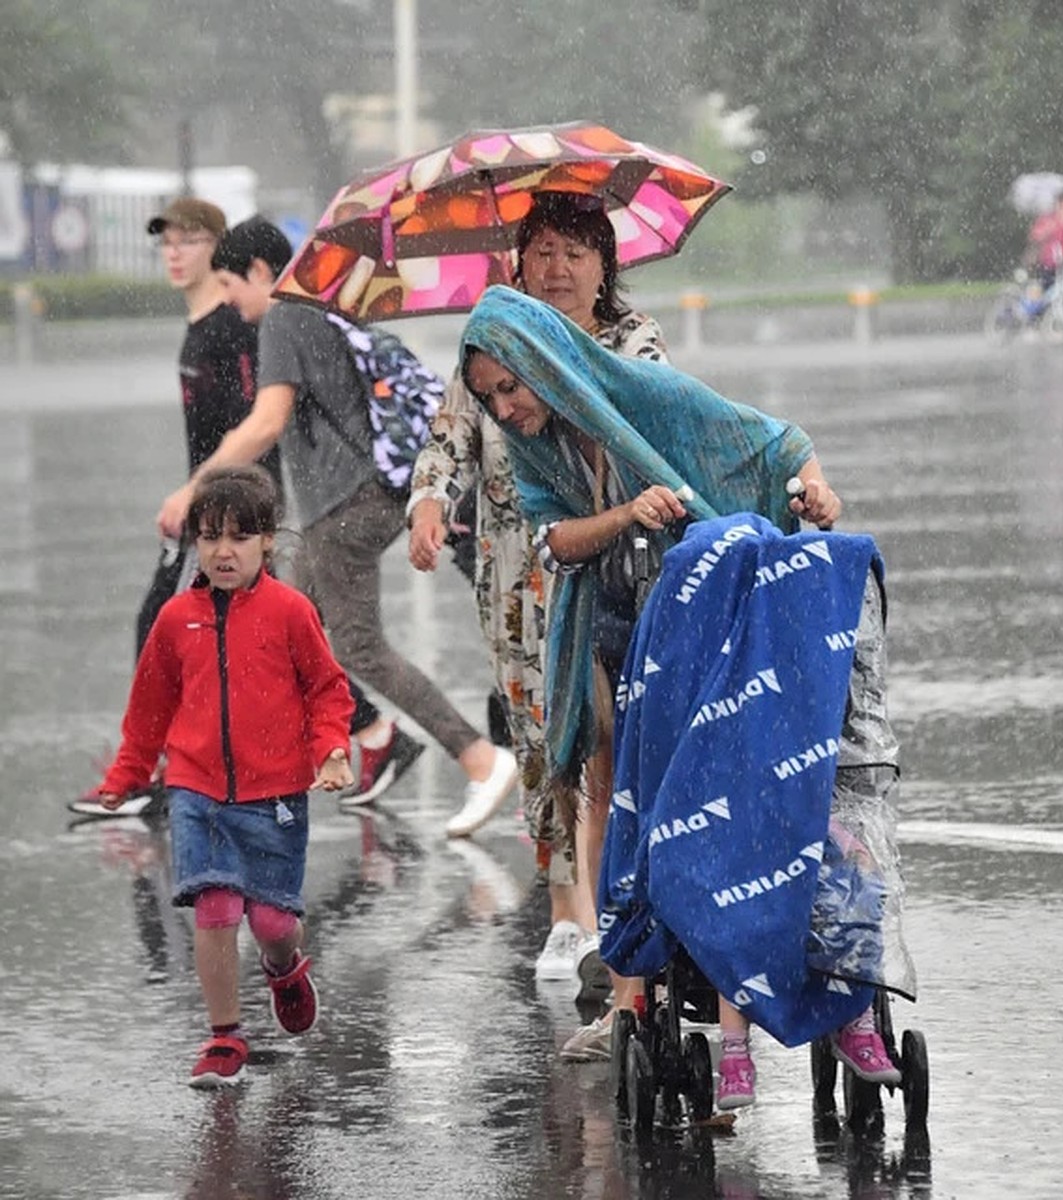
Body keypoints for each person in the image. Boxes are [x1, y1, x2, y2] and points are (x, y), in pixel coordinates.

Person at [458, 285, 901, 1106]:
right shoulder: (534, 452)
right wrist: (627, 512)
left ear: (544, 367)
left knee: (773, 800)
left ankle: (808, 980)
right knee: (642, 801)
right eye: (487, 396)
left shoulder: (641, 392)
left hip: (730, 620)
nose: (504, 407)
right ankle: (640, 980)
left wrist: (815, 490)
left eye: (510, 387)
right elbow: (555, 539)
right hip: (633, 634)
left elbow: (774, 445)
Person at [156, 217, 518, 833]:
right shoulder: (321, 307)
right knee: (278, 625)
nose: (231, 302)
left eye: (230, 285)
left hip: (346, 503)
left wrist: (195, 488)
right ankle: (356, 745)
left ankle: (481, 759)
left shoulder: (281, 318)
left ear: (262, 274)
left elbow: (267, 421)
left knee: (353, 644)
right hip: (361, 494)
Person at [70, 198, 404, 816]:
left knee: (172, 627)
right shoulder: (204, 326)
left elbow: (259, 423)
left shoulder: (234, 326)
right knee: (257, 635)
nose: (175, 253)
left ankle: (161, 768)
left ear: (221, 252)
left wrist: (212, 498)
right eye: (166, 243)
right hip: (214, 500)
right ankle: (371, 732)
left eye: (189, 241)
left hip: (233, 505)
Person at [407, 192, 667, 984]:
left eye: (575, 253)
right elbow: (449, 434)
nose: (557, 269)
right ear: (518, 262)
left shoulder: (634, 341)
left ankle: (624, 905)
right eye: (542, 251)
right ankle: (566, 911)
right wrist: (426, 503)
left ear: (604, 269)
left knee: (614, 741)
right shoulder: (490, 342)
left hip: (614, 564)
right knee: (542, 738)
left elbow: (658, 418)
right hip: (517, 574)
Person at [96, 466, 356, 1087]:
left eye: (239, 536)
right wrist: (126, 773)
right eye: (209, 537)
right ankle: (224, 1037)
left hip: (276, 795)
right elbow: (149, 707)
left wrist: (332, 752)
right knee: (213, 906)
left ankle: (285, 966)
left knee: (270, 921)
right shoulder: (174, 620)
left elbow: (327, 691)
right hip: (198, 792)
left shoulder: (291, 612)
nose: (222, 551)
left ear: (267, 540)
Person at [1026, 189, 1063, 294]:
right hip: (1047, 262)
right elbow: (1035, 236)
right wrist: (1046, 232)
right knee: (1044, 289)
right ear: (1058, 204)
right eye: (1062, 204)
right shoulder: (1048, 220)